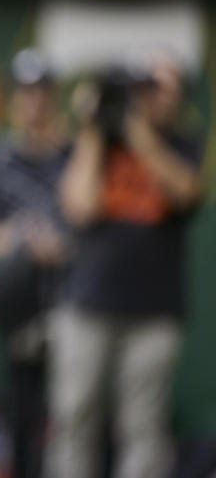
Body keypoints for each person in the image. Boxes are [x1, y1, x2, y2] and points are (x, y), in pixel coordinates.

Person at [43, 51, 204, 478]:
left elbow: (185, 193)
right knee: (75, 418)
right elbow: (80, 207)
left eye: (161, 87)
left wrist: (136, 129)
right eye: (143, 86)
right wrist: (96, 127)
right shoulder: (94, 140)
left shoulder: (184, 141)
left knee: (143, 428)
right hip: (87, 303)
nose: (149, 96)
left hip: (154, 310)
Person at [0, 49, 70, 478]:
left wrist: (58, 245)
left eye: (42, 93)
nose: (34, 103)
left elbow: (88, 232)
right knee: (21, 411)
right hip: (18, 307)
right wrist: (23, 238)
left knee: (70, 411)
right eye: (27, 93)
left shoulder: (73, 155)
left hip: (71, 300)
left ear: (53, 99)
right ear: (16, 100)